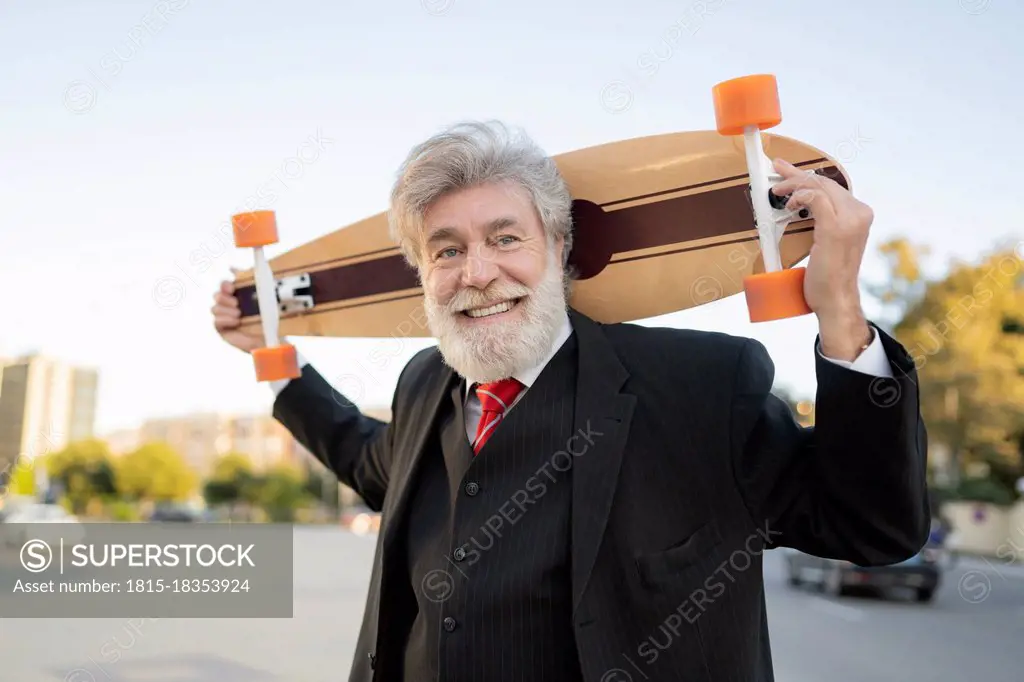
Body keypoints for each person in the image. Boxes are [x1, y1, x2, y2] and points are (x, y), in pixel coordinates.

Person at [211, 121, 930, 682]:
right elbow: (367, 460)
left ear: (559, 247)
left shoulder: (703, 385)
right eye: (447, 250)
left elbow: (868, 527)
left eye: (505, 238)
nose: (477, 274)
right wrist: (275, 366)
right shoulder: (423, 382)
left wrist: (838, 311)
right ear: (422, 273)